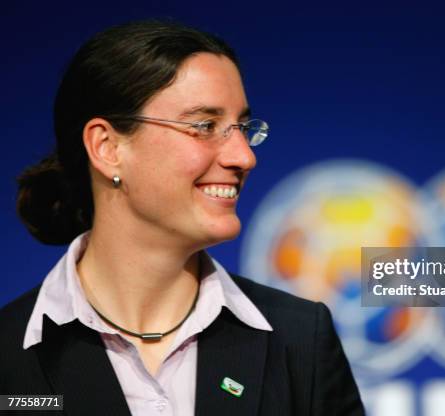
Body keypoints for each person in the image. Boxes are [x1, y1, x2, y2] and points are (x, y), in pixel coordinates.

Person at [0, 20, 364, 415]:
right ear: (107, 147)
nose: (244, 156)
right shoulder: (7, 354)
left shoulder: (300, 338)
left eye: (242, 127)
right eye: (205, 126)